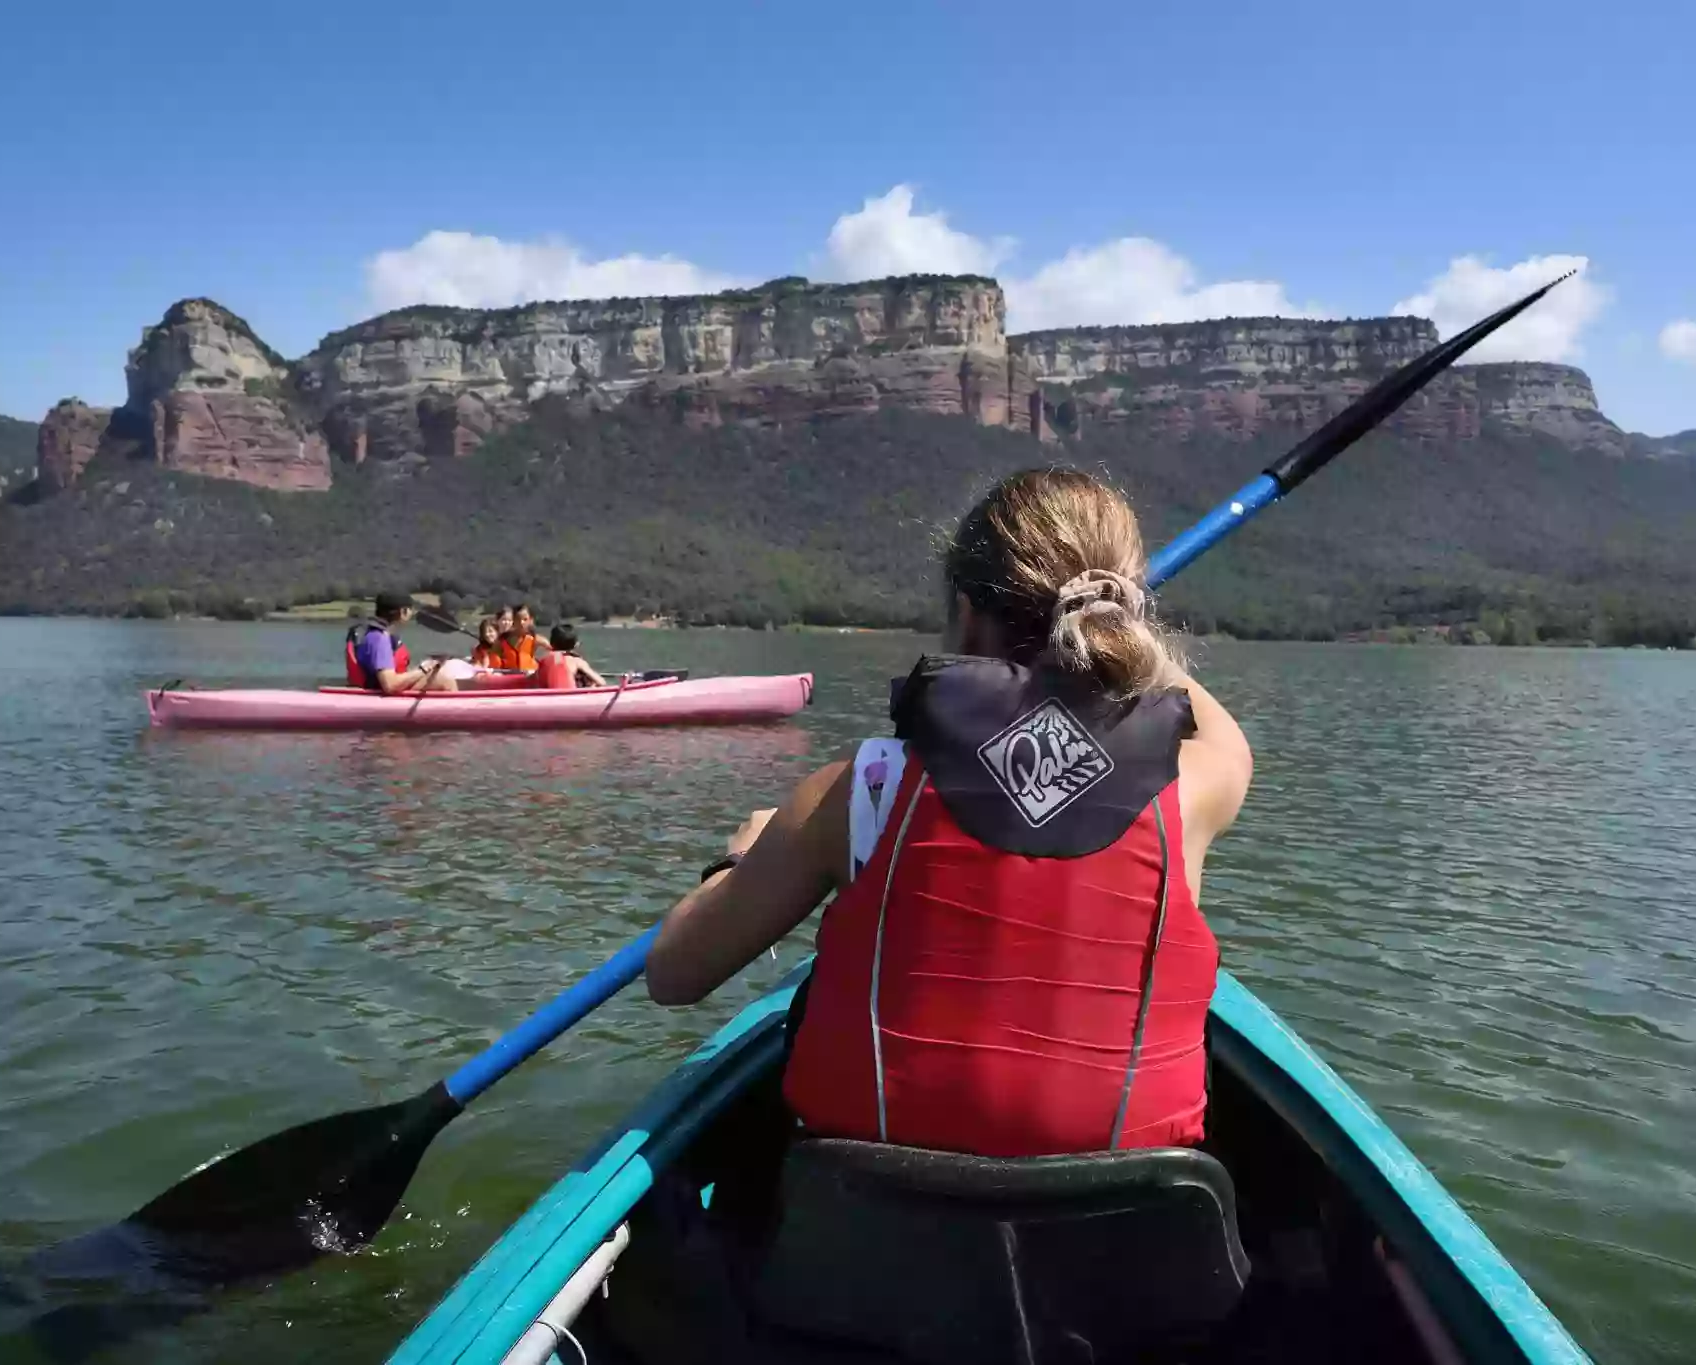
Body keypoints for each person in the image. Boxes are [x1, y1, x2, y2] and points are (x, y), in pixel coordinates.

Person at [645, 467, 1253, 1159]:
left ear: (965, 612)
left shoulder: (862, 787)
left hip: (875, 1228)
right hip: (1117, 1237)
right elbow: (1222, 732)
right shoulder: (1193, 784)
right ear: (1128, 614)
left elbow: (673, 975)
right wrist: (1118, 620)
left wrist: (739, 859)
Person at [344, 592, 457, 694]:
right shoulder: (380, 639)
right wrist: (422, 670)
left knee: (440, 674)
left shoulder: (374, 634)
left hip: (376, 687)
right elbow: (390, 685)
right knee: (446, 682)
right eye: (409, 609)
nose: (411, 613)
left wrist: (425, 668)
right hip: (379, 694)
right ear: (403, 612)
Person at [530, 623, 609, 689]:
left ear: (551, 644)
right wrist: (592, 687)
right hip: (571, 698)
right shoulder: (577, 661)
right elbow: (601, 682)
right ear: (575, 645)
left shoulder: (544, 660)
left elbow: (535, 681)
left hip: (548, 698)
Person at [497, 603, 547, 672]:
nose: (521, 622)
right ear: (513, 621)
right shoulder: (502, 640)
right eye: (518, 619)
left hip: (529, 677)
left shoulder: (535, 639)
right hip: (508, 677)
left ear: (531, 620)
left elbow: (554, 650)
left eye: (525, 619)